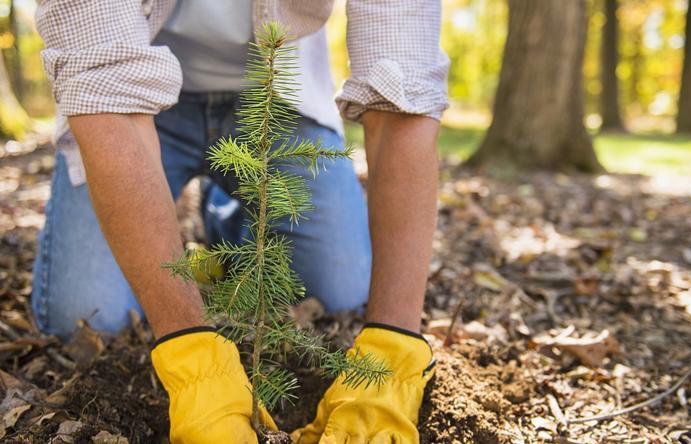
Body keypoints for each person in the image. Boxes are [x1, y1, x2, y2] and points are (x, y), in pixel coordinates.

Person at [32, 0, 447, 442]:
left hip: (276, 95)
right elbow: (104, 86)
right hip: (132, 95)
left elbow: (404, 89)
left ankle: (225, 214)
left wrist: (391, 347)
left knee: (342, 290)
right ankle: (211, 217)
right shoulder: (115, 79)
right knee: (85, 316)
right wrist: (193, 359)